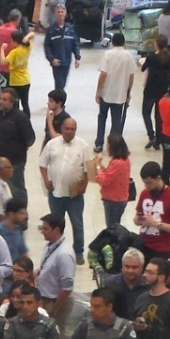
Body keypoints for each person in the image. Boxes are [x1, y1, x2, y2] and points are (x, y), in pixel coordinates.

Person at [38, 115, 97, 261]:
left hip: (74, 195)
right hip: (55, 192)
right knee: (56, 224)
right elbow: (42, 164)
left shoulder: (83, 146)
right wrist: (46, 181)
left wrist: (84, 185)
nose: (70, 131)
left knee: (77, 223)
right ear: (62, 129)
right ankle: (56, 249)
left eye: (73, 129)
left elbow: (88, 169)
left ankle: (78, 251)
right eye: (67, 128)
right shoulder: (52, 144)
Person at [94, 33, 137, 144]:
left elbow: (103, 74)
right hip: (120, 95)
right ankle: (113, 145)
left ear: (112, 42)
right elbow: (131, 76)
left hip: (106, 93)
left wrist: (98, 91)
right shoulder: (129, 56)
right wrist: (128, 93)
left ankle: (99, 143)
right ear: (123, 42)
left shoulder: (108, 54)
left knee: (102, 118)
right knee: (116, 121)